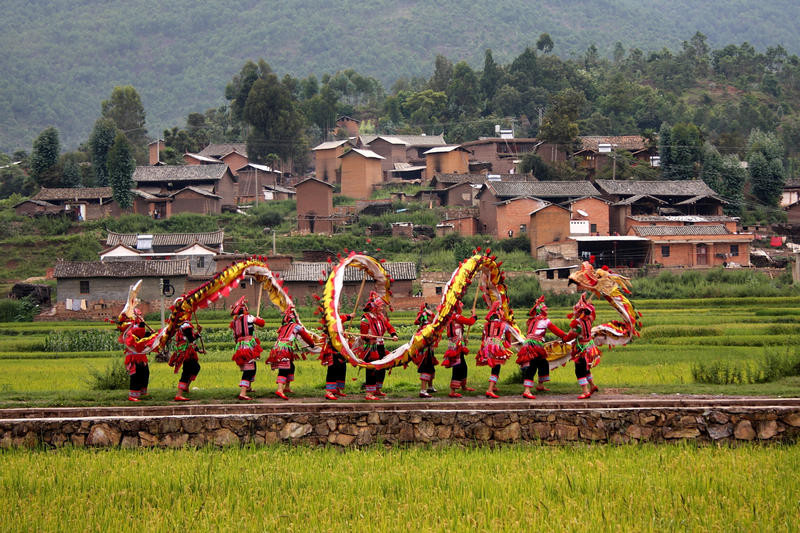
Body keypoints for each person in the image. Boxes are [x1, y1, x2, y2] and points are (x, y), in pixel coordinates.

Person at [516, 296, 567, 399]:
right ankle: (527, 390)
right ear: (542, 311)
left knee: (543, 363)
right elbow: (556, 331)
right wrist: (567, 337)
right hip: (534, 345)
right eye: (545, 310)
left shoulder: (531, 320)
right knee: (532, 366)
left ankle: (540, 385)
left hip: (530, 344)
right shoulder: (545, 321)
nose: (546, 311)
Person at [267, 305, 317, 400]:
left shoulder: (283, 326)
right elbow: (306, 336)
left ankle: (287, 387)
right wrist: (312, 344)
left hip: (277, 348)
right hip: (284, 349)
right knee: (284, 369)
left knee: (291, 366)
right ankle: (280, 390)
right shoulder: (296, 327)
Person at [358, 291, 399, 401]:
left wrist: (394, 334)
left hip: (380, 345)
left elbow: (389, 326)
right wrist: (369, 337)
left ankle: (377, 389)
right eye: (380, 307)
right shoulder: (365, 319)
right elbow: (363, 336)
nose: (381, 309)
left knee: (382, 367)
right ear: (373, 308)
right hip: (371, 347)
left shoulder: (381, 317)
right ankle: (369, 393)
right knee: (372, 369)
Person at [564, 292, 602, 399]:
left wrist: (564, 339)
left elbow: (571, 335)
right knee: (586, 368)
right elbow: (592, 313)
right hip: (590, 347)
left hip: (582, 349)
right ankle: (592, 386)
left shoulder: (577, 323)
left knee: (579, 370)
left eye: (575, 311)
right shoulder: (589, 319)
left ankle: (585, 392)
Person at [476, 301, 515, 399]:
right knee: (496, 367)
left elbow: (483, 338)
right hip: (496, 347)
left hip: (487, 347)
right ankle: (489, 389)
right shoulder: (504, 325)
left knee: (494, 365)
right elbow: (508, 339)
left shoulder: (486, 325)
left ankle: (493, 386)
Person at [229, 296, 266, 401]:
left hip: (240, 346)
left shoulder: (235, 322)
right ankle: (243, 393)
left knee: (252, 366)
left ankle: (248, 387)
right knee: (249, 369)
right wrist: (259, 318)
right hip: (248, 346)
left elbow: (235, 337)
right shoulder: (249, 317)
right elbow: (262, 323)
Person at [441, 300, 477, 398]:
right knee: (457, 367)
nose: (461, 308)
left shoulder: (451, 317)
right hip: (456, 346)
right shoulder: (456, 316)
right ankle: (452, 391)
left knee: (463, 366)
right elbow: (470, 322)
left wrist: (463, 339)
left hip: (457, 344)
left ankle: (463, 386)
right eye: (460, 307)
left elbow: (456, 331)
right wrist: (474, 315)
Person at [319, 313, 353, 400]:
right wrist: (348, 316)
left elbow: (340, 319)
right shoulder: (330, 317)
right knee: (333, 368)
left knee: (341, 367)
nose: (338, 307)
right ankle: (329, 392)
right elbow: (337, 320)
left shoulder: (337, 317)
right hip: (332, 347)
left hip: (340, 346)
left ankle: (338, 389)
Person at [119, 309, 150, 402]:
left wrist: (149, 335)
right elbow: (134, 336)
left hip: (141, 354)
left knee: (145, 372)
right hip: (133, 355)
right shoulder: (128, 327)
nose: (140, 317)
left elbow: (142, 337)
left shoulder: (139, 325)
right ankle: (132, 395)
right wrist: (141, 327)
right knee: (135, 374)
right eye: (138, 315)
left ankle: (142, 392)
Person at [168, 320, 203, 401]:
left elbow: (188, 340)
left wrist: (198, 350)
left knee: (196, 367)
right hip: (185, 353)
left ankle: (186, 387)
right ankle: (179, 394)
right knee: (186, 372)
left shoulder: (183, 324)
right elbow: (191, 339)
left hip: (188, 352)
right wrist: (198, 333)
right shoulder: (185, 325)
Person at [413, 302, 438, 398]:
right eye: (431, 316)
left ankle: (430, 387)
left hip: (429, 351)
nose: (432, 317)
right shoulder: (426, 328)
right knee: (426, 369)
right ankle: (423, 390)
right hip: (425, 352)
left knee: (431, 368)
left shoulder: (426, 326)